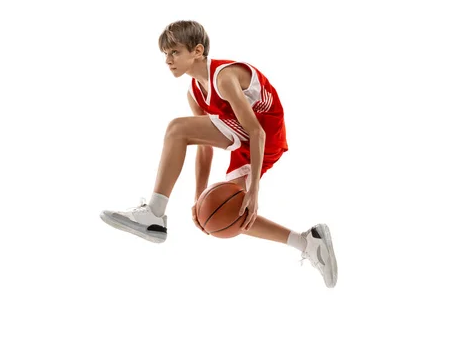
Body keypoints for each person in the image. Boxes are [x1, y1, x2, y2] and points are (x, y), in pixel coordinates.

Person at [100, 20, 338, 288]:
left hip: (265, 132)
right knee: (230, 211)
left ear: (197, 51)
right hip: (247, 139)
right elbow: (203, 145)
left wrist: (255, 189)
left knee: (177, 128)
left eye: (174, 52)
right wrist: (198, 196)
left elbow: (257, 132)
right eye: (165, 54)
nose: (168, 60)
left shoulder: (224, 78)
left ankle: (154, 214)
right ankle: (307, 241)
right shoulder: (194, 92)